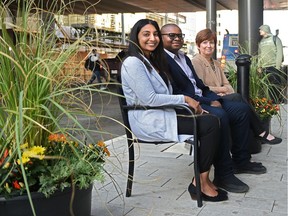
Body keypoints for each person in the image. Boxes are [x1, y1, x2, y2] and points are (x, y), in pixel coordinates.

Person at [121, 19, 228, 202]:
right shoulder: (133, 63)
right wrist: (185, 99)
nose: (152, 39)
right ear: (136, 37)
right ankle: (200, 183)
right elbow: (149, 99)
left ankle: (202, 180)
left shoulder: (152, 61)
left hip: (163, 113)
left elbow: (166, 92)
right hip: (148, 119)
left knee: (212, 119)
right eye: (146, 34)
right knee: (210, 124)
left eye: (155, 34)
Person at [161, 23, 267, 194]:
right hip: (190, 105)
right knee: (220, 115)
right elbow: (179, 92)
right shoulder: (163, 60)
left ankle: (241, 160)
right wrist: (209, 102)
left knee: (240, 109)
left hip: (203, 97)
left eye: (179, 35)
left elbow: (200, 86)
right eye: (171, 35)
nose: (176, 39)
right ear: (161, 38)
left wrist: (213, 97)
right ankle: (224, 174)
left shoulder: (183, 58)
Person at [191, 28, 282, 145]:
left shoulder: (216, 63)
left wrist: (224, 91)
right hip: (209, 100)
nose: (209, 45)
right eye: (205, 42)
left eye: (211, 42)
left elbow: (228, 85)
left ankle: (257, 135)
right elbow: (201, 87)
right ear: (198, 45)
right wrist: (223, 90)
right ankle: (260, 132)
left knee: (238, 100)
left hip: (221, 97)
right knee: (238, 98)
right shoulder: (196, 62)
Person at [258, 24, 284, 103]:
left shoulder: (275, 39)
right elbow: (260, 54)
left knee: (275, 84)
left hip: (273, 66)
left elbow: (280, 53)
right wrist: (259, 66)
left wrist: (277, 66)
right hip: (264, 67)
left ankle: (277, 101)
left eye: (261, 30)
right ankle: (270, 101)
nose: (259, 31)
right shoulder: (261, 41)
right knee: (267, 85)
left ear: (265, 30)